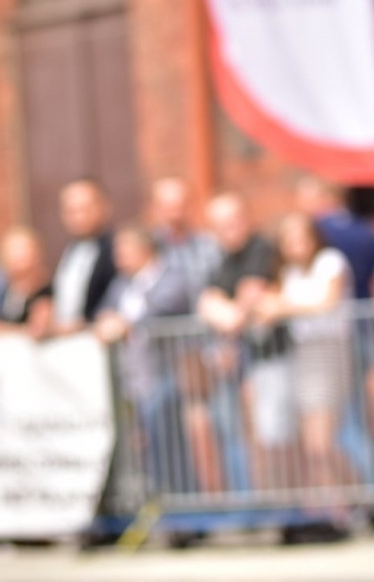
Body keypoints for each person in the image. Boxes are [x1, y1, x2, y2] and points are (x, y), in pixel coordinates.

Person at [293, 176, 374, 487]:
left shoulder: (320, 236)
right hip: (363, 329)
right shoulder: (365, 231)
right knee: (361, 418)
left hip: (337, 339)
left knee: (345, 423)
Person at [195, 193, 290, 492]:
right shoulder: (223, 259)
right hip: (245, 363)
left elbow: (246, 300)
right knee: (247, 436)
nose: (229, 229)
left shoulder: (261, 249)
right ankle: (262, 500)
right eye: (221, 225)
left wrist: (226, 311)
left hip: (274, 357)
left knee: (275, 437)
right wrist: (225, 311)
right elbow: (207, 303)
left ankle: (287, 504)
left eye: (234, 221)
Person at [257, 213, 354, 501]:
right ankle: (337, 501)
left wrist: (284, 307)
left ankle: (358, 495)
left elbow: (327, 302)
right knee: (311, 443)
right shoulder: (288, 273)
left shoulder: (330, 262)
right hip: (303, 355)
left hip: (328, 350)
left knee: (320, 442)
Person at [95, 226, 192, 500]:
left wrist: (126, 325)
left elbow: (162, 311)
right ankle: (155, 501)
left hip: (165, 373)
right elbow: (105, 311)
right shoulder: (122, 284)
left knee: (166, 442)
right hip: (132, 378)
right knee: (141, 444)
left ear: (144, 249)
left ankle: (179, 503)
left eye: (123, 249)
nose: (117, 256)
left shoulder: (170, 278)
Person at [50, 178, 118, 334]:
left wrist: (88, 322)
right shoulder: (70, 250)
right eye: (71, 211)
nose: (79, 217)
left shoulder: (115, 249)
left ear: (105, 208)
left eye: (85, 209)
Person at [146, 176, 221, 310]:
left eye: (180, 206)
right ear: (155, 208)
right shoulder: (148, 248)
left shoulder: (209, 246)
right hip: (158, 325)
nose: (175, 214)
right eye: (169, 207)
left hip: (202, 325)